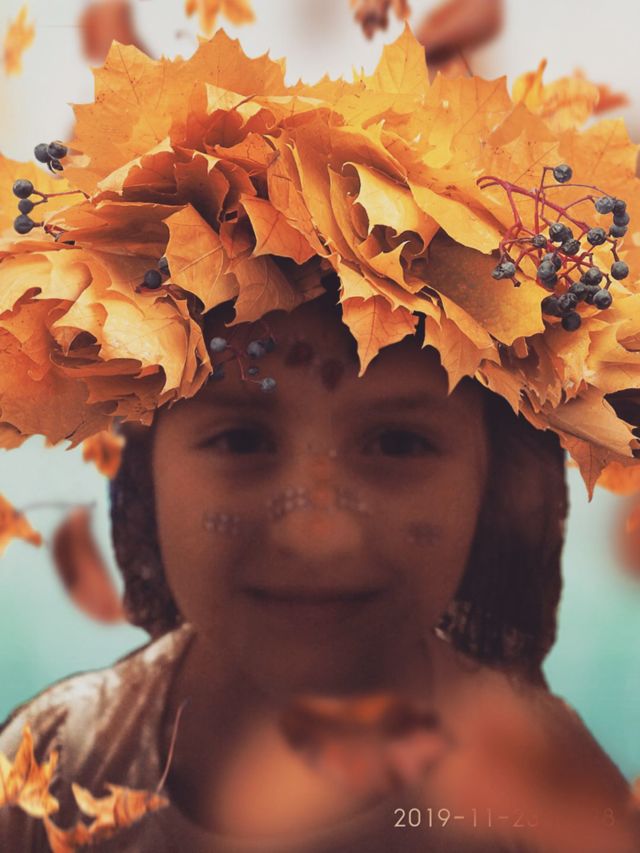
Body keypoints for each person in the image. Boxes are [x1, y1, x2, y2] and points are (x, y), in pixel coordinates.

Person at [0, 25, 639, 853]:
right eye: (240, 439)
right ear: (144, 463)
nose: (316, 531)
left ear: (499, 477)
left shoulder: (557, 801)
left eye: (398, 444)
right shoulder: (51, 766)